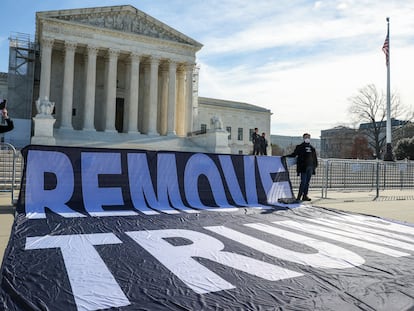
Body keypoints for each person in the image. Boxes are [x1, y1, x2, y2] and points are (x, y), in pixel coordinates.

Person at [287, 133, 318, 201]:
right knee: (303, 182)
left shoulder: (312, 148)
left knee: (307, 182)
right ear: (303, 138)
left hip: (310, 167)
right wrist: (286, 156)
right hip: (303, 167)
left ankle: (305, 196)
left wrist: (314, 166)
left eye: (309, 137)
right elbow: (294, 154)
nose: (308, 138)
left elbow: (314, 158)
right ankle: (299, 196)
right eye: (306, 137)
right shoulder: (300, 147)